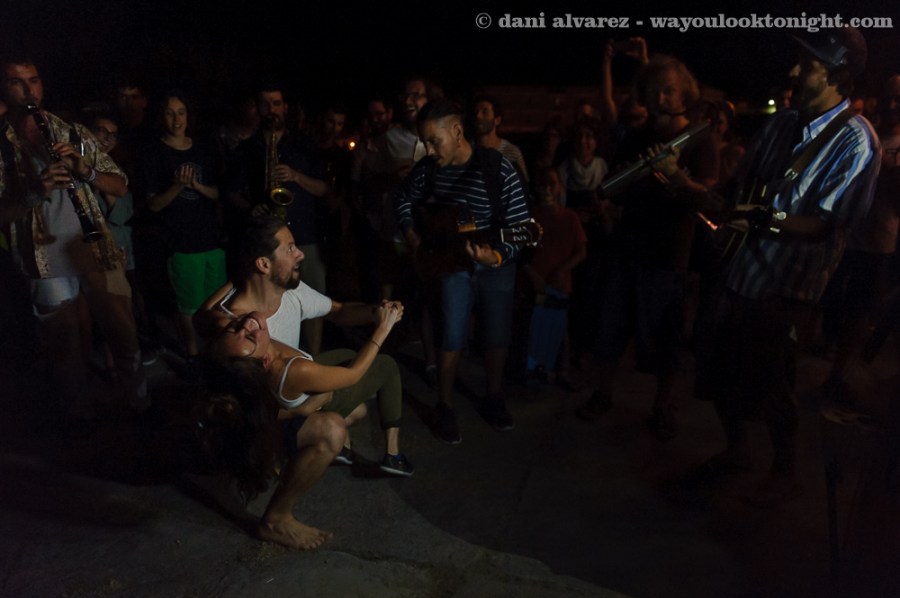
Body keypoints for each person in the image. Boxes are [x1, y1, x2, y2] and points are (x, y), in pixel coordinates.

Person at [693, 27, 879, 505]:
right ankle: (737, 451)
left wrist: (763, 219)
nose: (794, 71)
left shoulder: (857, 141)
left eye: (808, 65)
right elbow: (741, 183)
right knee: (719, 369)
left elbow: (823, 226)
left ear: (837, 75)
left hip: (788, 287)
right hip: (741, 271)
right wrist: (690, 186)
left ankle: (784, 471)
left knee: (774, 382)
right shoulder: (782, 124)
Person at [575, 55, 718, 442]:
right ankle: (602, 393)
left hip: (668, 253)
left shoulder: (700, 139)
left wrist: (676, 177)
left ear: (684, 93)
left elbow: (708, 199)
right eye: (654, 90)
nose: (661, 98)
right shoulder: (639, 136)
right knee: (610, 327)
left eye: (669, 90)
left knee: (664, 337)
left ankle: (663, 405)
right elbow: (618, 189)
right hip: (627, 248)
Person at [1, 56, 147, 416]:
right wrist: (34, 192)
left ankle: (139, 402)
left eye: (34, 80)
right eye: (17, 82)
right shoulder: (2, 145)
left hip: (94, 246)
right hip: (43, 256)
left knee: (123, 332)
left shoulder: (73, 132)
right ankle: (80, 413)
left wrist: (86, 171)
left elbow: (120, 186)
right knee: (63, 345)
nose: (28, 90)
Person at [393, 99, 529, 443]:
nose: (428, 149)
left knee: (496, 333)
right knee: (451, 332)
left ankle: (494, 397)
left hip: (496, 264)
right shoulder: (428, 170)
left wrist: (495, 257)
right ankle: (445, 405)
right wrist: (411, 233)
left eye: (433, 140)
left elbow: (521, 226)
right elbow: (402, 198)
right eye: (424, 141)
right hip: (451, 262)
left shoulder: (498, 169)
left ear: (456, 132)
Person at [209, 304, 413, 476]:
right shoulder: (294, 370)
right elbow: (353, 375)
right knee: (387, 365)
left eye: (234, 328)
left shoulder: (243, 354)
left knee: (347, 355)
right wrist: (383, 327)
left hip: (301, 391)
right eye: (250, 337)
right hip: (324, 399)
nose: (246, 326)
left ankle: (343, 447)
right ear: (265, 362)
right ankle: (393, 456)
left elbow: (211, 312)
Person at [226, 83, 329, 354]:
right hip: (267, 244)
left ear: (285, 108)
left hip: (304, 236)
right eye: (265, 104)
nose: (271, 109)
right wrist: (251, 207)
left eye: (276, 103)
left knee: (315, 302)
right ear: (258, 108)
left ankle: (314, 358)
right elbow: (231, 193)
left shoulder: (305, 145)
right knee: (270, 306)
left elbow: (323, 189)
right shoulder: (246, 149)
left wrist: (296, 176)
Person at [142, 92, 225, 379]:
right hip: (180, 241)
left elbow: (217, 193)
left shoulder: (203, 149)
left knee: (216, 301)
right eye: (170, 112)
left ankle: (215, 351)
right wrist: (178, 185)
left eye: (181, 112)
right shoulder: (155, 153)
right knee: (188, 304)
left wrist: (197, 186)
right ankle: (193, 354)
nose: (176, 119)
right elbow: (153, 204)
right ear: (161, 116)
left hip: (211, 239)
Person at [472, 95, 529, 185]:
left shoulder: (511, 151)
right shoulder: (467, 149)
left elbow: (522, 186)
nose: (478, 116)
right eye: (476, 112)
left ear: (497, 120)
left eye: (484, 112)